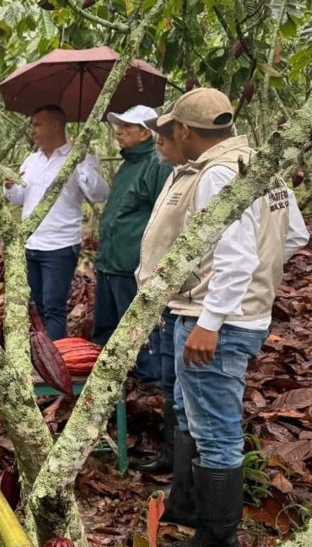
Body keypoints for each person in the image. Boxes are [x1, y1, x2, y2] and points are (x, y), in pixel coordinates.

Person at [139, 88, 308, 544]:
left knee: (215, 429)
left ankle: (217, 537)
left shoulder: (217, 175)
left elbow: (235, 259)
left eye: (171, 128)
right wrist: (260, 287)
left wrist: (211, 320)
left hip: (212, 320)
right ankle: (188, 509)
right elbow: (292, 236)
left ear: (186, 130)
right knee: (194, 415)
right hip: (224, 313)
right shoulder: (258, 166)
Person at [4, 105, 109, 339]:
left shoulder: (80, 157)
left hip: (59, 246)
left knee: (54, 306)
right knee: (36, 305)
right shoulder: (31, 161)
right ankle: (41, 356)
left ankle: (56, 362)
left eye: (37, 124)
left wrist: (80, 163)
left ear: (55, 125)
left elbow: (99, 194)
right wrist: (9, 186)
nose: (33, 131)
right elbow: (21, 199)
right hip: (31, 243)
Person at [92, 105, 172, 383]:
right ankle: (108, 390)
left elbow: (165, 218)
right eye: (119, 125)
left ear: (145, 133)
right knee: (107, 332)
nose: (119, 131)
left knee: (138, 335)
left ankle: (147, 391)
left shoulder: (157, 164)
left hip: (132, 266)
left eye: (127, 127)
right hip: (109, 263)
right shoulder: (128, 164)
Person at [129, 124, 186, 475]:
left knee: (187, 390)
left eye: (166, 136)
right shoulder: (176, 175)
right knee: (170, 381)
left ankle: (186, 484)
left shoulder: (212, 177)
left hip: (191, 301)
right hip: (167, 297)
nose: (159, 142)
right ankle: (171, 459)